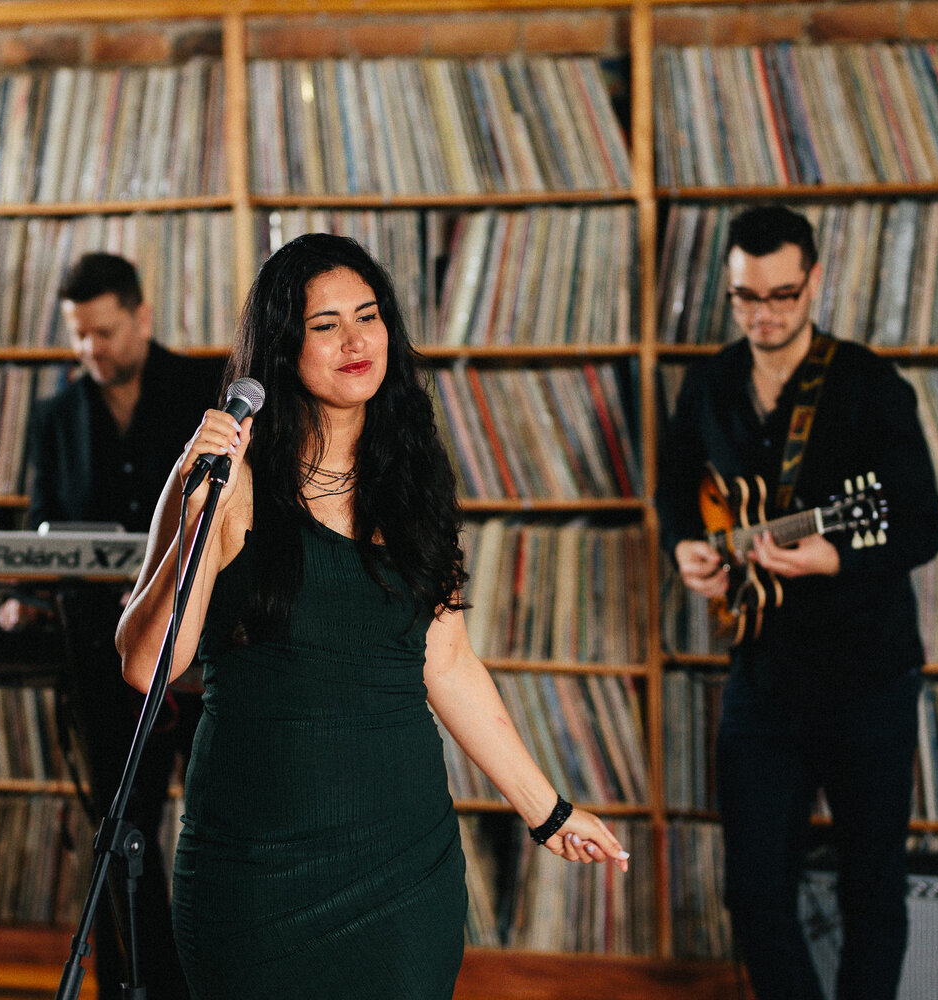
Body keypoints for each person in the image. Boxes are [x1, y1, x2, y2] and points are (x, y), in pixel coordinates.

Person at [115, 232, 630, 999]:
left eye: (369, 316)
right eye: (326, 326)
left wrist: (548, 812)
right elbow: (146, 667)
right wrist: (197, 520)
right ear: (283, 347)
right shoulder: (224, 477)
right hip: (256, 870)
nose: (356, 342)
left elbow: (447, 662)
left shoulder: (415, 477)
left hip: (402, 865)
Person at [655, 206, 938, 1000]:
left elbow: (921, 524)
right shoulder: (711, 383)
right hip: (762, 676)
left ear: (814, 280)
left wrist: (837, 555)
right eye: (747, 297)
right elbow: (675, 486)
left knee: (871, 891)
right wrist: (685, 547)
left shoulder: (868, 386)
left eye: (782, 294)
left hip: (868, 677)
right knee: (752, 894)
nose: (765, 314)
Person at [0, 252, 222, 1000]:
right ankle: (142, 986)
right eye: (79, 334)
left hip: (204, 656)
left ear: (141, 317)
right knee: (122, 832)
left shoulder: (208, 393)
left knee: (223, 823)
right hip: (105, 656)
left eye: (104, 331)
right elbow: (43, 524)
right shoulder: (55, 417)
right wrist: (23, 595)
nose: (90, 348)